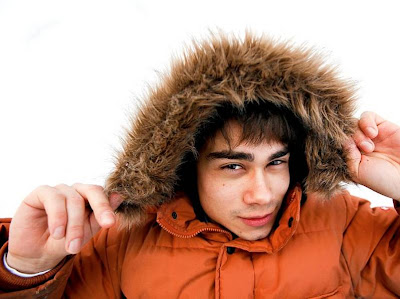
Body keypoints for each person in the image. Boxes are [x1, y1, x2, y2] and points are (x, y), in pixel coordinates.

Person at [0, 32, 400, 298]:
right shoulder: (120, 239)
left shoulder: (342, 223)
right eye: (233, 167)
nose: (262, 193)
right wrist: (27, 270)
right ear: (188, 165)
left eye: (276, 162)